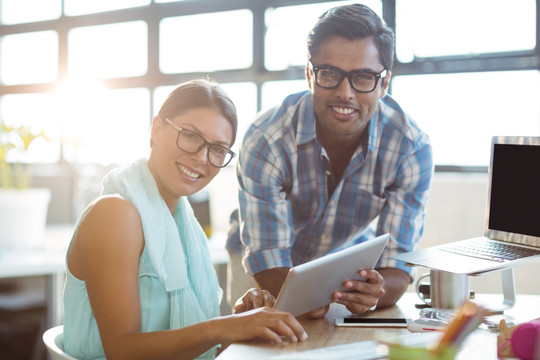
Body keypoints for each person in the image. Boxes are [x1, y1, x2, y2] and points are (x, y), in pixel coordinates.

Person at [62, 79, 307, 360]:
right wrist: (224, 328)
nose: (201, 158)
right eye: (190, 136)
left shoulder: (185, 227)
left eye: (217, 149)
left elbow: (191, 341)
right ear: (156, 130)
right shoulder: (114, 214)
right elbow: (122, 351)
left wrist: (243, 320)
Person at [226, 3, 433, 317]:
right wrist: (311, 299)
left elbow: (397, 267)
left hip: (339, 268)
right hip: (259, 264)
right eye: (330, 74)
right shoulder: (267, 140)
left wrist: (375, 292)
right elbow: (268, 262)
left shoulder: (410, 148)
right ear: (310, 74)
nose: (345, 93)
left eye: (363, 77)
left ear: (384, 83)